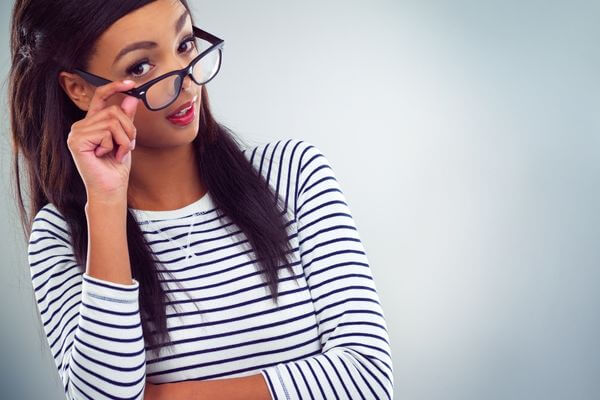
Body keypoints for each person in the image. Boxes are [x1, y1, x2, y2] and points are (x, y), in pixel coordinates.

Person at [10, 0, 394, 399]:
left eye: (184, 44)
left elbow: (367, 378)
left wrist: (161, 396)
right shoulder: (63, 236)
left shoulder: (293, 176)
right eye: (141, 66)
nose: (186, 80)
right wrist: (106, 204)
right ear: (79, 89)